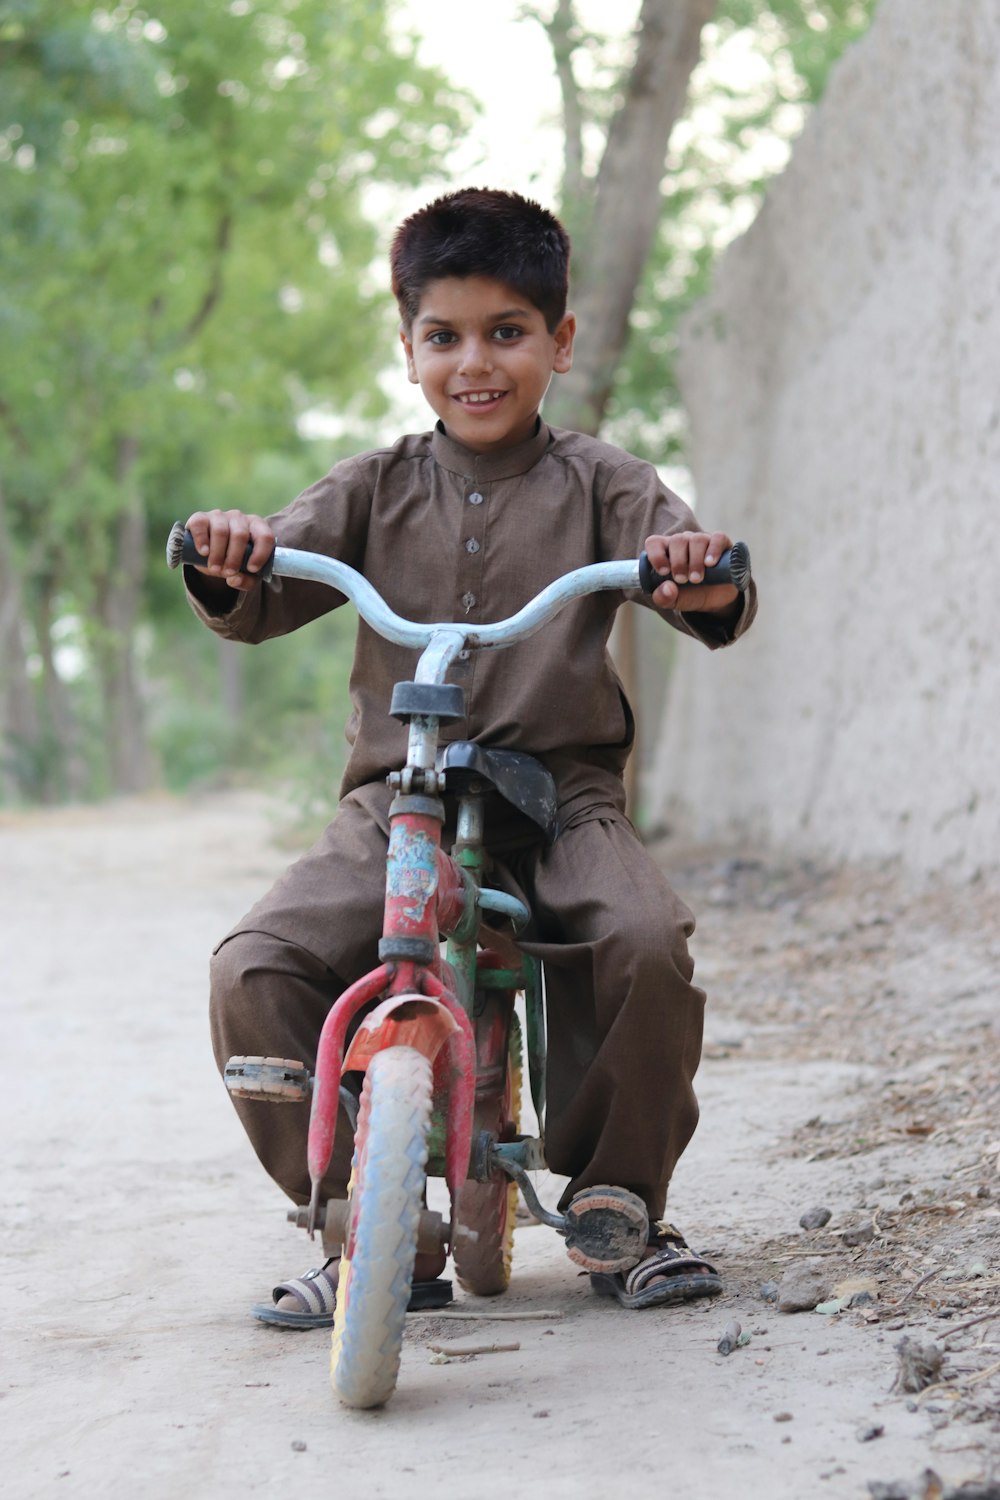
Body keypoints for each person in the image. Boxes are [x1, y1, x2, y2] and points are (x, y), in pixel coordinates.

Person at [183, 187, 756, 1326]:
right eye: (443, 337)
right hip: (397, 801)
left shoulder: (604, 481)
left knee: (641, 939)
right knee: (250, 966)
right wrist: (236, 555)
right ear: (407, 350)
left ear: (560, 342)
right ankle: (352, 1215)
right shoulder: (373, 486)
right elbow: (260, 583)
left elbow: (706, 585)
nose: (474, 363)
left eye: (507, 332)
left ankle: (616, 1203)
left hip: (562, 793)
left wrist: (697, 568)